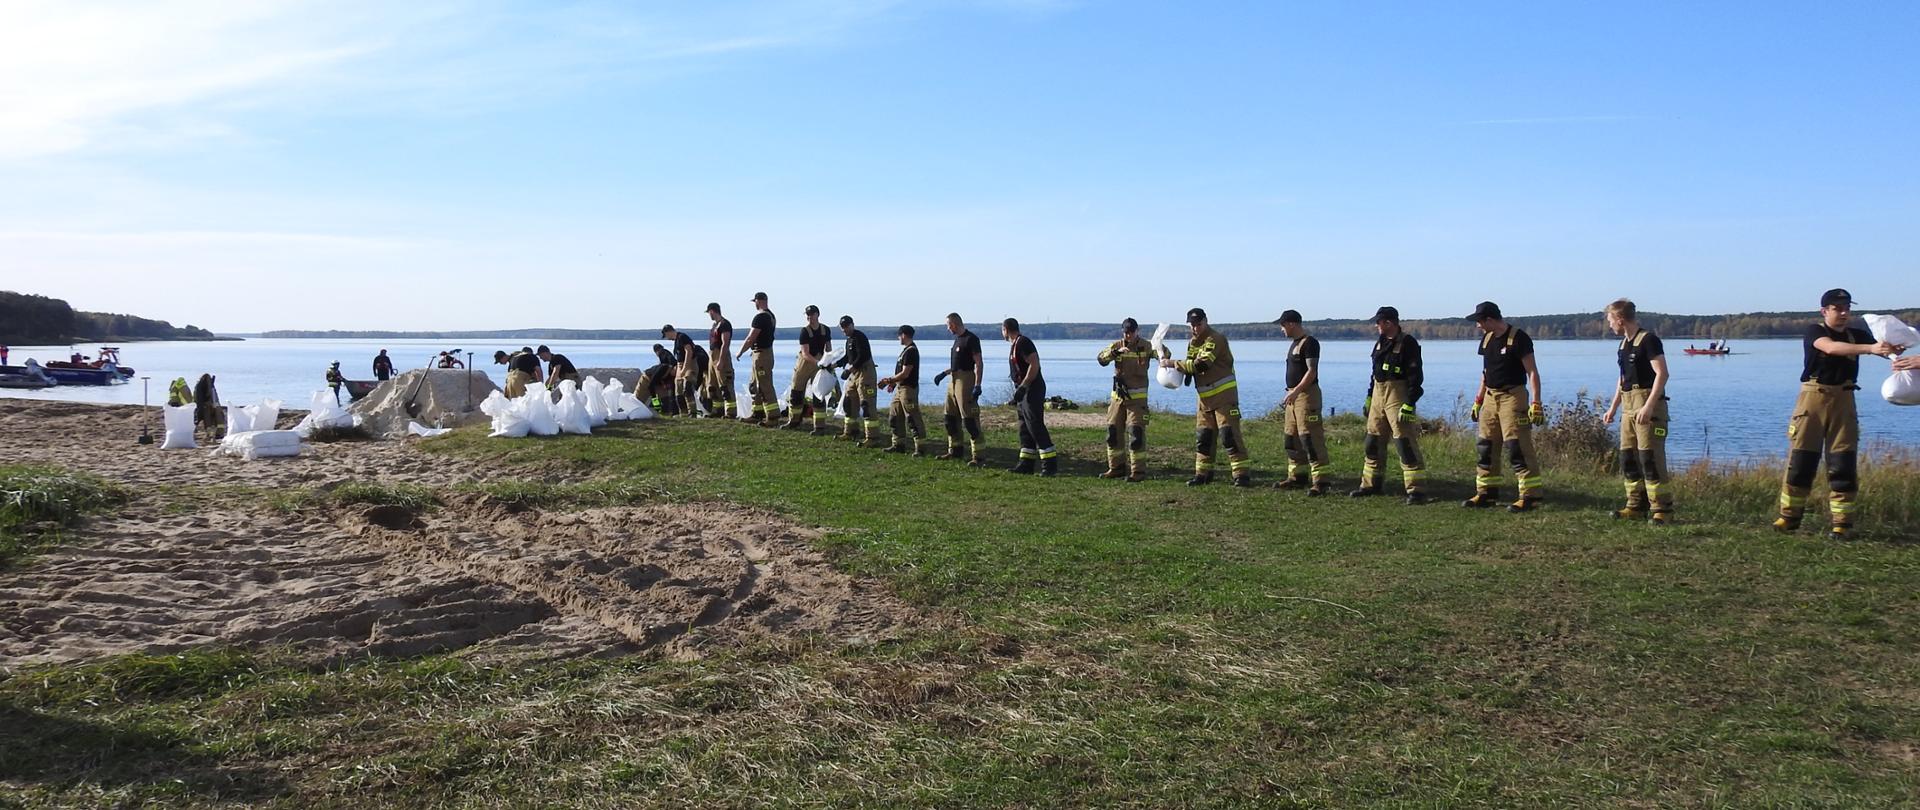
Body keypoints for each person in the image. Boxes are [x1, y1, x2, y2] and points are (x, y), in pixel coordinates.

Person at [1775, 289, 1899, 539]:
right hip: (1813, 399)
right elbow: (1830, 348)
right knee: (1801, 461)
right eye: (1837, 309)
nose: (1843, 314)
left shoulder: (1857, 335)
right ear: (1824, 311)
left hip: (1845, 399)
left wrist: (1894, 347)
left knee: (1842, 462)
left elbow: (1883, 347)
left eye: (1846, 309)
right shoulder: (1815, 331)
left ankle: (1842, 523)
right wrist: (1871, 348)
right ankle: (1789, 517)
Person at [1601, 299, 1674, 524]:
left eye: (1611, 320)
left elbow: (1662, 374)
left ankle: (1662, 509)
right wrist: (1613, 407)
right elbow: (1622, 379)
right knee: (1629, 458)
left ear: (1620, 320)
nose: (1610, 325)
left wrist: (1649, 405)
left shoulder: (1649, 340)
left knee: (1650, 457)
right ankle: (1635, 505)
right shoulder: (1623, 345)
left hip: (1647, 405)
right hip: (1628, 405)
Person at [1467, 301, 1545, 512]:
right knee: (1486, 446)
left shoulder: (1519, 338)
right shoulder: (1487, 340)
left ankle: (1530, 497)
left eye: (1480, 322)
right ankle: (1486, 493)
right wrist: (1478, 400)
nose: (1478, 327)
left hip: (1513, 397)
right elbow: (1485, 374)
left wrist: (1536, 403)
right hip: (1491, 398)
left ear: (1490, 319)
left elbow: (1532, 373)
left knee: (1517, 447)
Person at [1162, 307, 1251, 487]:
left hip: (1223, 398)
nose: (1195, 328)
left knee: (1229, 437)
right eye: (1192, 325)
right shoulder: (1193, 343)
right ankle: (1202, 474)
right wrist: (1169, 366)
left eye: (1198, 324)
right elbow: (1189, 368)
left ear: (1206, 321)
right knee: (1204, 438)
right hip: (1204, 399)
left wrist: (1172, 363)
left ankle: (1241, 475)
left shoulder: (1215, 339)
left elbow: (1201, 365)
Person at [1351, 306, 1428, 503]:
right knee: (1373, 441)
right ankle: (1371, 485)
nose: (1376, 326)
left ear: (1389, 323)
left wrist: (1410, 403)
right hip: (1378, 393)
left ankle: (1416, 490)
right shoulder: (1380, 343)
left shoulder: (1408, 343)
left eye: (1379, 322)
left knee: (1404, 443)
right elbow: (1374, 372)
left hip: (1398, 394)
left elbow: (1415, 377)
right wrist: (1369, 397)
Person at [1276, 310, 1332, 495]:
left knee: (1310, 438)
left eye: (1283, 326)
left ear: (1292, 324)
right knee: (1291, 439)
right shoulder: (1294, 344)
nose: (1282, 330)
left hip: (1307, 396)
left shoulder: (1310, 343)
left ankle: (1321, 481)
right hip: (1292, 397)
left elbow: (1312, 371)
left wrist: (1297, 391)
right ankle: (1297, 477)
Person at [1095, 318, 1153, 481]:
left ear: (1137, 331)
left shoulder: (1146, 346)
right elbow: (1101, 359)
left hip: (1137, 401)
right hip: (1118, 399)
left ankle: (1138, 472)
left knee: (1136, 434)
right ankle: (1116, 468)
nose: (1128, 335)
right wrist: (1115, 353)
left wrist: (1162, 353)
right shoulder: (1117, 345)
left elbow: (1163, 353)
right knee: (1113, 434)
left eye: (1131, 332)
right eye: (1126, 332)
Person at [1002, 318, 1058, 476]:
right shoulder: (1015, 344)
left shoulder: (1023, 342)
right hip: (1022, 390)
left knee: (1035, 425)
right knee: (1024, 427)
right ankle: (1026, 463)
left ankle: (1049, 465)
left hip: (1032, 389)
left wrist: (1025, 386)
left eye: (1002, 330)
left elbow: (1034, 364)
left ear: (1005, 329)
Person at [932, 313, 987, 466]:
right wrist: (944, 373)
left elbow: (978, 363)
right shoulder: (957, 341)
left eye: (948, 325)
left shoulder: (971, 339)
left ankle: (979, 456)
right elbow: (958, 363)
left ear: (954, 324)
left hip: (966, 380)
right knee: (949, 418)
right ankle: (955, 451)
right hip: (953, 379)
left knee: (969, 420)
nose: (947, 328)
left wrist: (977, 385)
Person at [826, 316, 881, 446]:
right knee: (849, 402)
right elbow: (848, 357)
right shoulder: (849, 340)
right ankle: (850, 431)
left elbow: (863, 356)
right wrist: (834, 365)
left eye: (846, 327)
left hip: (865, 373)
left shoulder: (859, 337)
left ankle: (872, 438)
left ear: (852, 325)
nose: (845, 330)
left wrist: (850, 370)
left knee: (867, 405)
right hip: (854, 374)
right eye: (842, 328)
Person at [878, 325, 927, 455]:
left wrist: (889, 380)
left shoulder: (911, 351)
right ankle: (898, 444)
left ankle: (920, 447)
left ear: (904, 335)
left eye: (899, 335)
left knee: (912, 417)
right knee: (894, 416)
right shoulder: (905, 351)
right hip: (899, 388)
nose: (898, 338)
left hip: (908, 389)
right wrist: (893, 384)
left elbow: (905, 373)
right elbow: (900, 371)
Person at [783, 305, 834, 433]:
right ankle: (794, 421)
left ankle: (819, 425)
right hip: (805, 363)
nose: (809, 317)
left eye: (812, 314)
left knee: (819, 394)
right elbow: (805, 353)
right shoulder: (804, 331)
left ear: (818, 315)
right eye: (808, 315)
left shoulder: (825, 330)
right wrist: (817, 363)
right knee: (796, 392)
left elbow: (828, 348)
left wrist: (828, 362)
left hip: (820, 363)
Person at [737, 292, 778, 425]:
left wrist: (740, 352)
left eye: (755, 301)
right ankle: (757, 413)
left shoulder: (761, 317)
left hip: (762, 355)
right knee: (754, 385)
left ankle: (772, 417)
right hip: (761, 352)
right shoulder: (771, 316)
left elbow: (751, 337)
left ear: (758, 301)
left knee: (765, 385)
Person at [705, 303, 736, 418]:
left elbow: (725, 343)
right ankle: (717, 410)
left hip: (720, 355)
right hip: (712, 355)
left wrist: (721, 360)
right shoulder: (714, 325)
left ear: (712, 311)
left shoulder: (724, 324)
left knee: (725, 384)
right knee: (712, 385)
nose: (709, 315)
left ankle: (731, 412)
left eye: (709, 313)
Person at [663, 326, 701, 415]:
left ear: (668, 332)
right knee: (678, 392)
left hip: (689, 364)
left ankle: (692, 412)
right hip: (680, 365)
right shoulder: (676, 340)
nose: (667, 339)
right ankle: (683, 413)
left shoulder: (682, 337)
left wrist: (685, 368)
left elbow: (689, 352)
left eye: (666, 336)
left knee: (687, 388)